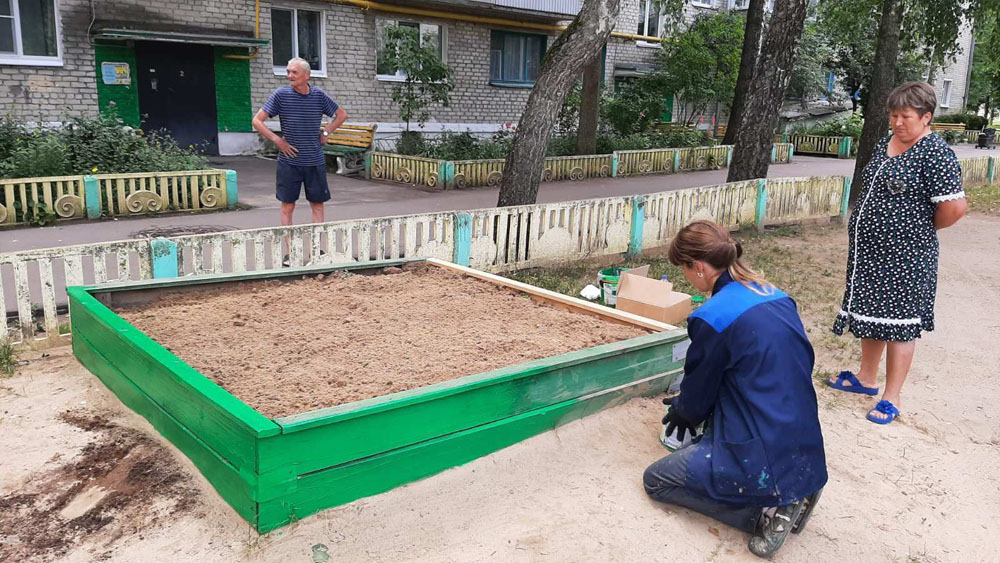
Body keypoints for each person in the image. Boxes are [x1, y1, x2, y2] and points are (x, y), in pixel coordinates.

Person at [642, 220, 827, 559]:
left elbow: (696, 400)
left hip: (761, 445)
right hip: (802, 436)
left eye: (683, 269)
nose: (687, 277)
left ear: (697, 267)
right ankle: (799, 487)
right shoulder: (775, 294)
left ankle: (768, 514)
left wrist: (682, 411)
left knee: (657, 480)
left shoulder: (712, 317)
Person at [827, 82, 967, 425]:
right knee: (872, 316)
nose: (898, 122)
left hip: (908, 258)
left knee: (901, 325)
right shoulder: (885, 143)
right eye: (894, 116)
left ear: (926, 117)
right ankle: (866, 378)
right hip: (869, 255)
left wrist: (915, 231)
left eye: (905, 116)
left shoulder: (935, 153)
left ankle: (892, 396)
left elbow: (955, 208)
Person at [252, 57, 348, 260]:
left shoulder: (318, 96)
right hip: (289, 162)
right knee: (287, 206)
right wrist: (277, 141)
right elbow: (257, 121)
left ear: (307, 75)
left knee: (318, 205)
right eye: (287, 72)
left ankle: (318, 250)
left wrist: (327, 132)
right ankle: (290, 252)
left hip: (314, 160)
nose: (289, 76)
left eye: (294, 72)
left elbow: (341, 115)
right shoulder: (280, 95)